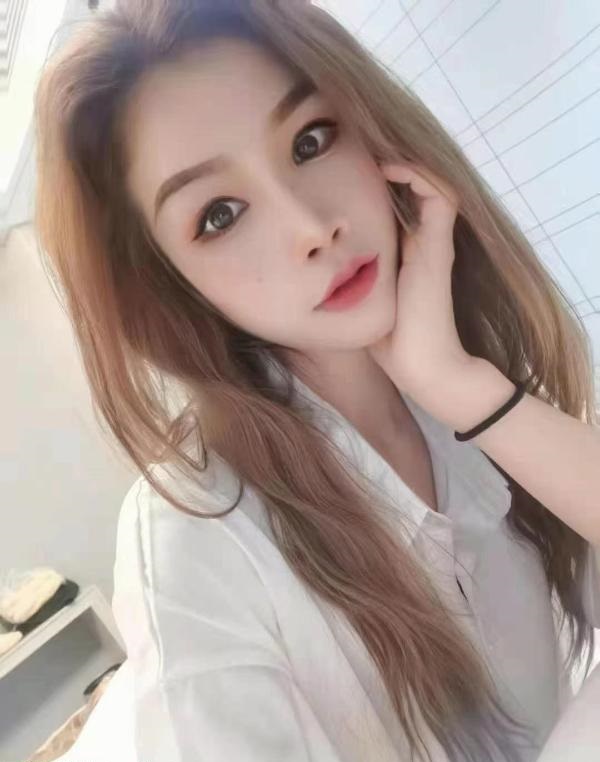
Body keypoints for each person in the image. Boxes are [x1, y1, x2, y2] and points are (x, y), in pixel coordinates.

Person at [32, 1, 600, 760]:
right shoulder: (193, 534)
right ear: (169, 284)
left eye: (310, 140)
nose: (310, 227)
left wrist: (459, 387)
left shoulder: (460, 358)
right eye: (220, 215)